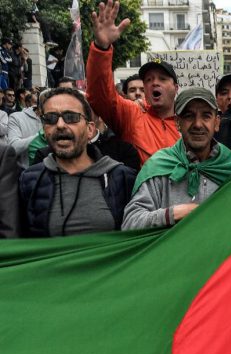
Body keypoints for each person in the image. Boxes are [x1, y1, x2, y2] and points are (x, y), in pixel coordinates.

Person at [122, 88, 231, 230]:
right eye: (189, 116)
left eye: (206, 116)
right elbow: (130, 224)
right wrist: (172, 215)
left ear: (217, 123)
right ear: (177, 122)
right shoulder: (159, 165)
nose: (198, 124)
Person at [18, 87, 136, 237]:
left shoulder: (122, 177)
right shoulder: (29, 181)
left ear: (90, 129)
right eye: (50, 118)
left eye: (71, 117)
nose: (60, 125)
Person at [87, 0, 179, 165]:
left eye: (162, 79)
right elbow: (100, 97)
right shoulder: (132, 115)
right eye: (149, 79)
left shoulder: (188, 120)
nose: (154, 83)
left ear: (176, 87)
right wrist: (101, 48)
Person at [7, 92, 42, 167]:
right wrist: (40, 136)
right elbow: (12, 148)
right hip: (25, 170)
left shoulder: (60, 119)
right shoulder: (16, 117)